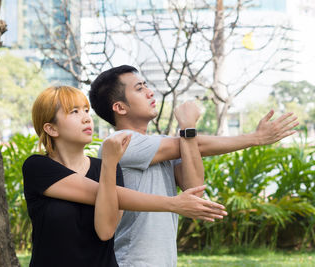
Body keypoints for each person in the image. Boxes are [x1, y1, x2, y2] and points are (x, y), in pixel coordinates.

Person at [89, 65, 299, 267]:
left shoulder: (161, 145)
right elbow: (195, 143)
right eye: (139, 88)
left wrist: (187, 131)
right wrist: (255, 138)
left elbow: (194, 187)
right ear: (119, 107)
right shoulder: (120, 143)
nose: (150, 92)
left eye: (146, 85)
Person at [22, 86, 227, 267]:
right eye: (74, 112)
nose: (86, 118)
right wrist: (172, 203)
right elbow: (100, 193)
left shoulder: (106, 168)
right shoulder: (38, 167)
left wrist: (110, 165)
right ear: (51, 128)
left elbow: (105, 231)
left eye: (86, 110)